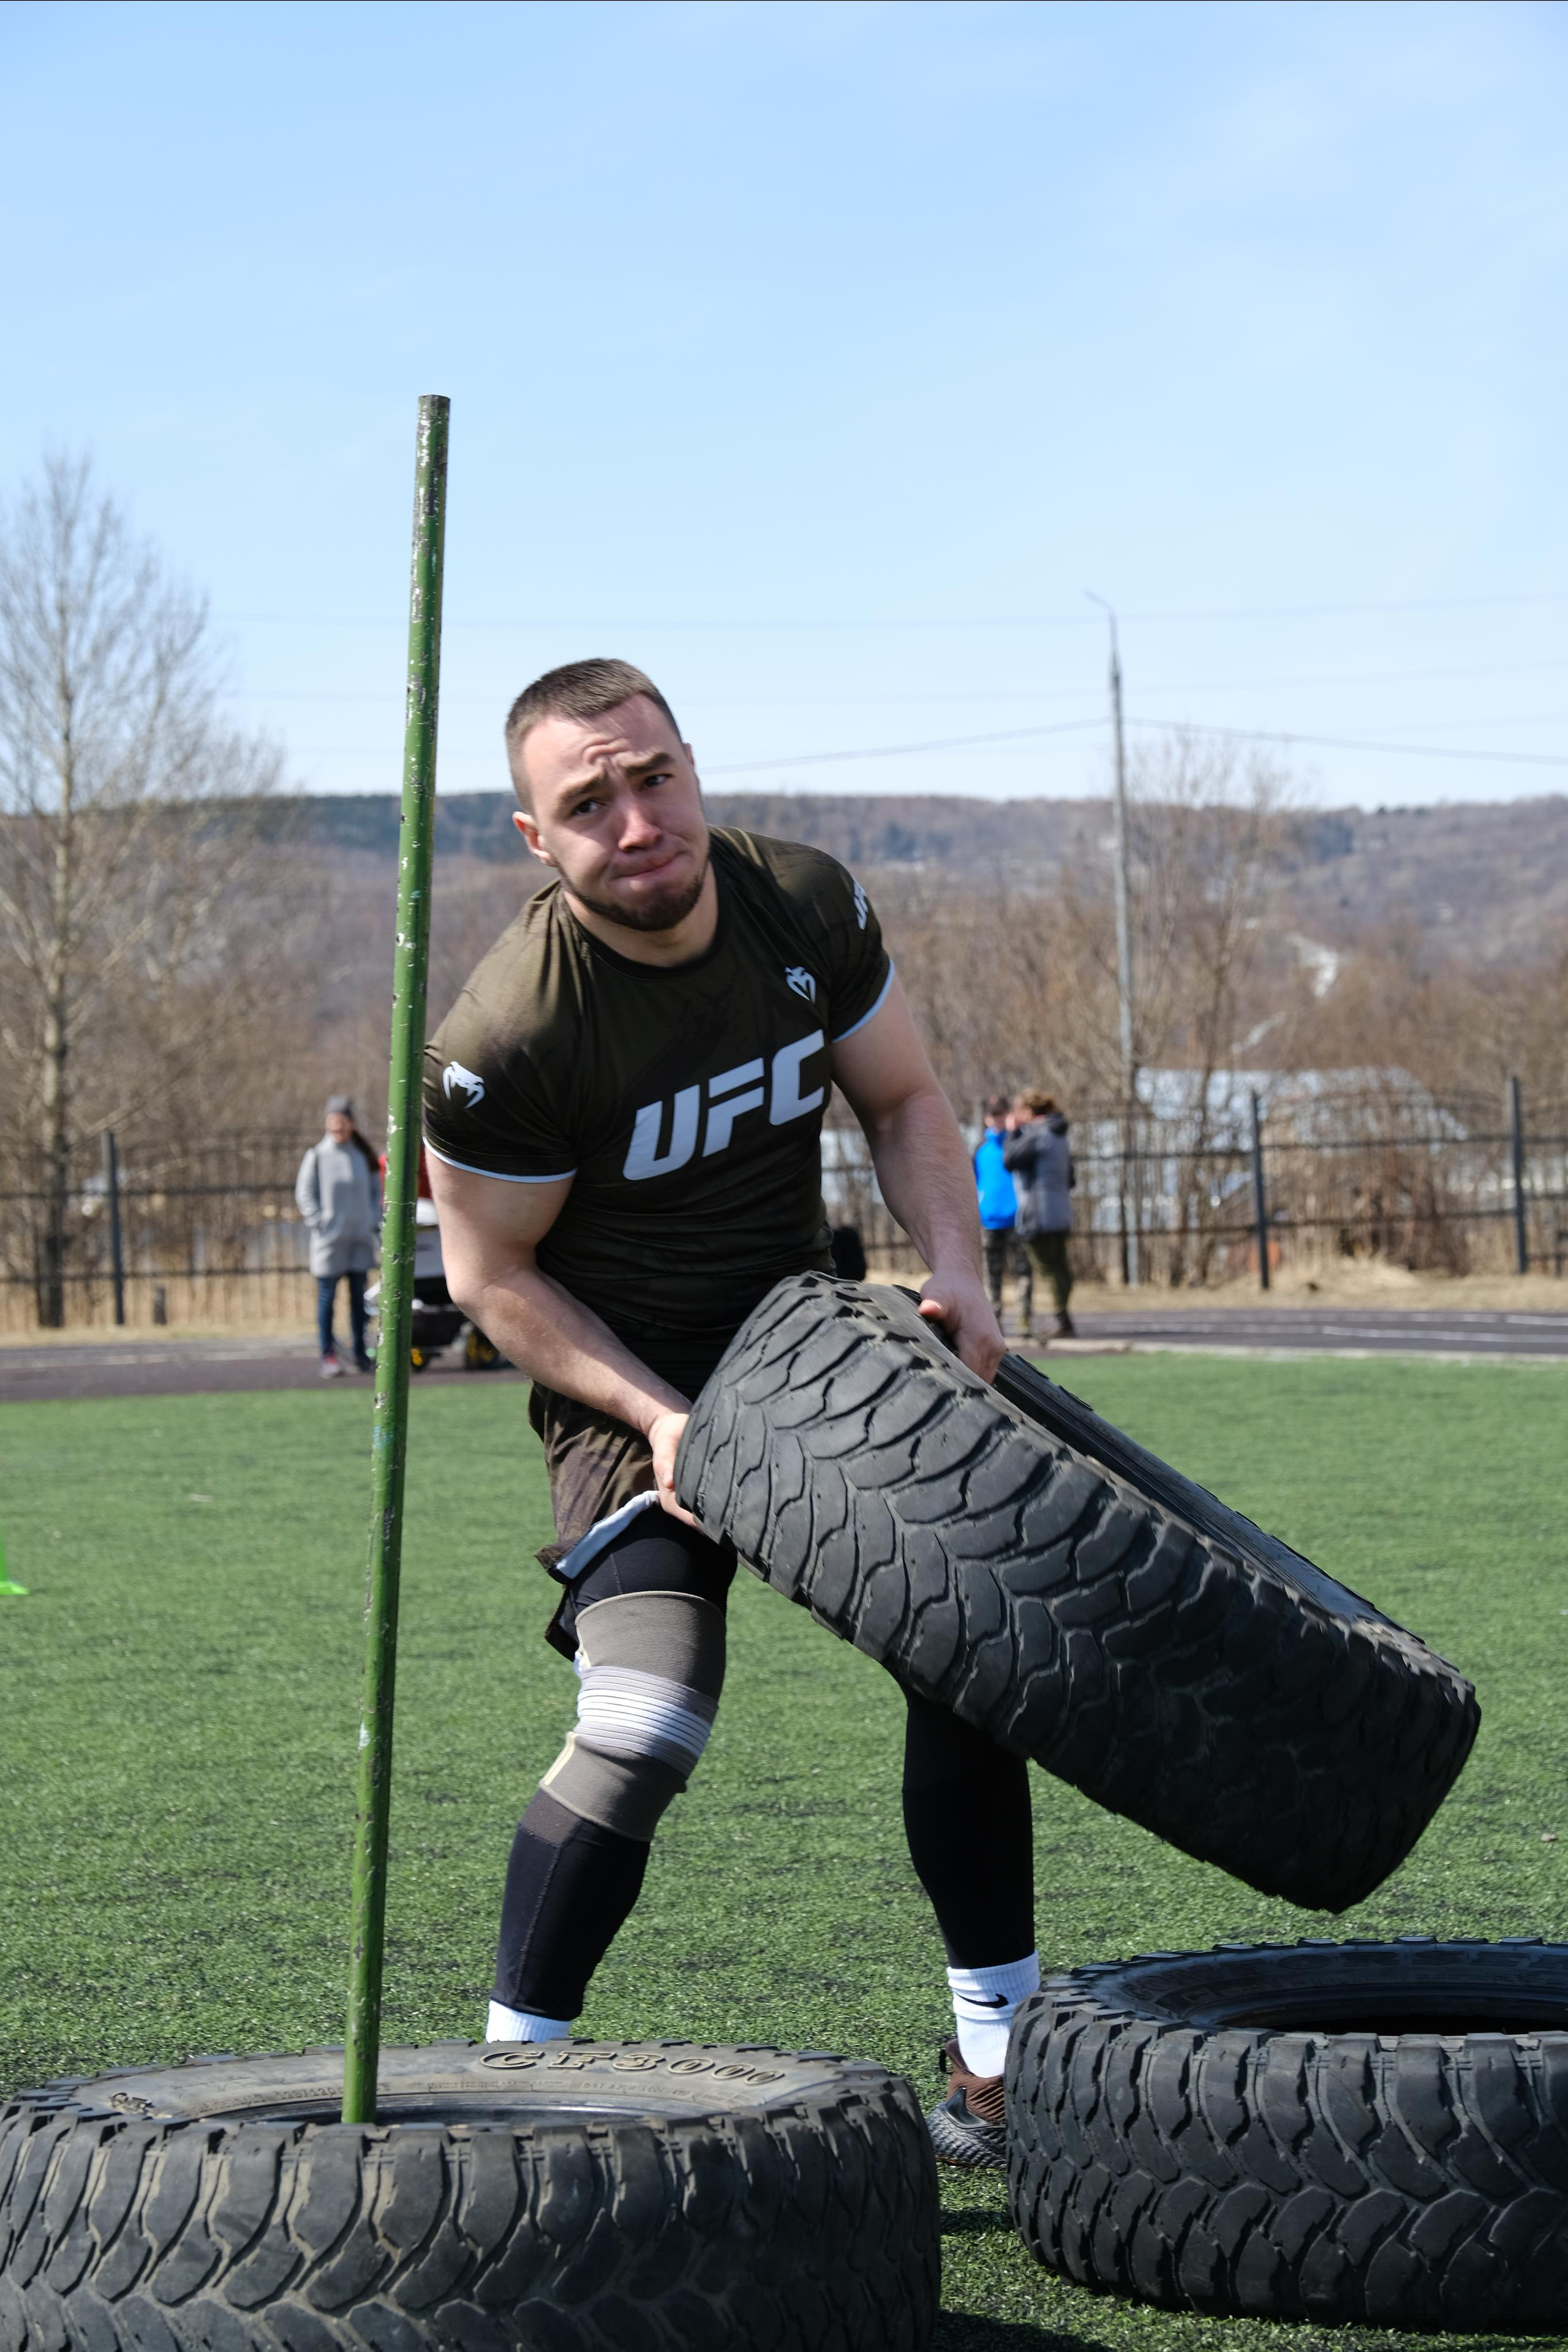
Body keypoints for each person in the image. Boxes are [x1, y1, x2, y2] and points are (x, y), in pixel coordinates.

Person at [423, 658, 1036, 2168]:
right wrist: (656, 1414)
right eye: (589, 803)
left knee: (970, 1652)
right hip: (620, 1389)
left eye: (654, 778)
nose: (636, 821)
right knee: (644, 1719)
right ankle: (507, 2096)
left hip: (810, 1354)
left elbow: (901, 1098)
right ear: (534, 838)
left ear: (691, 767)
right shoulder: (507, 1033)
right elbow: (491, 1277)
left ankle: (994, 2067)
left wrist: (955, 1272)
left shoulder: (803, 904)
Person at [295, 1096, 381, 1378]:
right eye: (333, 1120)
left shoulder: (363, 1156)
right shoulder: (317, 1156)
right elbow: (305, 1194)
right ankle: (328, 1355)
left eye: (343, 1121)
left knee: (359, 1302)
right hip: (329, 1242)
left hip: (359, 1241)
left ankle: (360, 1353)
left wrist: (371, 1221)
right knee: (327, 1300)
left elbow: (376, 1193)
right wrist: (320, 1223)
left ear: (352, 1124)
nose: (338, 1126)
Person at [1004, 1090, 1076, 1340]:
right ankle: (1064, 1318)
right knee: (1061, 1267)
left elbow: (1010, 1159)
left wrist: (1013, 1132)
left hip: (1039, 1213)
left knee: (1049, 1269)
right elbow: (1071, 1177)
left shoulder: (1036, 1134)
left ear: (1028, 1112)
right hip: (1061, 1211)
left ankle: (1060, 1320)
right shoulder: (1060, 1135)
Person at [974, 1093, 1031, 1336]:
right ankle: (994, 1321)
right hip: (990, 1220)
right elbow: (974, 1182)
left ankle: (1025, 1319)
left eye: (1001, 1114)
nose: (996, 1119)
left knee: (1023, 1271)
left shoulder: (1019, 1145)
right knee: (992, 1274)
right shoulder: (980, 1150)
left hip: (1018, 1219)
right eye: (992, 1115)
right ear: (987, 1118)